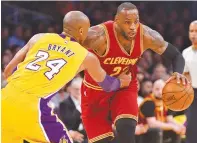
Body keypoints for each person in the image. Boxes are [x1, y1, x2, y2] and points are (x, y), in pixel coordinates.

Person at [2, 11, 131, 143]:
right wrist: (122, 82)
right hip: (32, 105)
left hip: (4, 99)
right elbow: (108, 85)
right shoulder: (85, 56)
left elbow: (7, 71)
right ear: (81, 31)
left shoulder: (39, 37)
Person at [81, 2, 189, 143]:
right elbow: (69, 45)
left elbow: (176, 55)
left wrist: (178, 73)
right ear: (116, 21)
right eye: (127, 22)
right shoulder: (99, 36)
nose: (132, 27)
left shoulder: (146, 35)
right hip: (95, 91)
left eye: (136, 22)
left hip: (125, 87)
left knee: (127, 129)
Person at [58, 77, 88, 143]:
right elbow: (71, 124)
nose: (78, 91)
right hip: (73, 135)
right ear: (70, 89)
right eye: (76, 89)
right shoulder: (64, 104)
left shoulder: (88, 102)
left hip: (87, 135)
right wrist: (79, 107)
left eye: (81, 89)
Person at [182, 20, 197, 143]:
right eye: (191, 31)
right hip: (193, 95)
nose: (193, 34)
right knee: (191, 129)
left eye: (196, 31)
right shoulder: (185, 53)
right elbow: (186, 75)